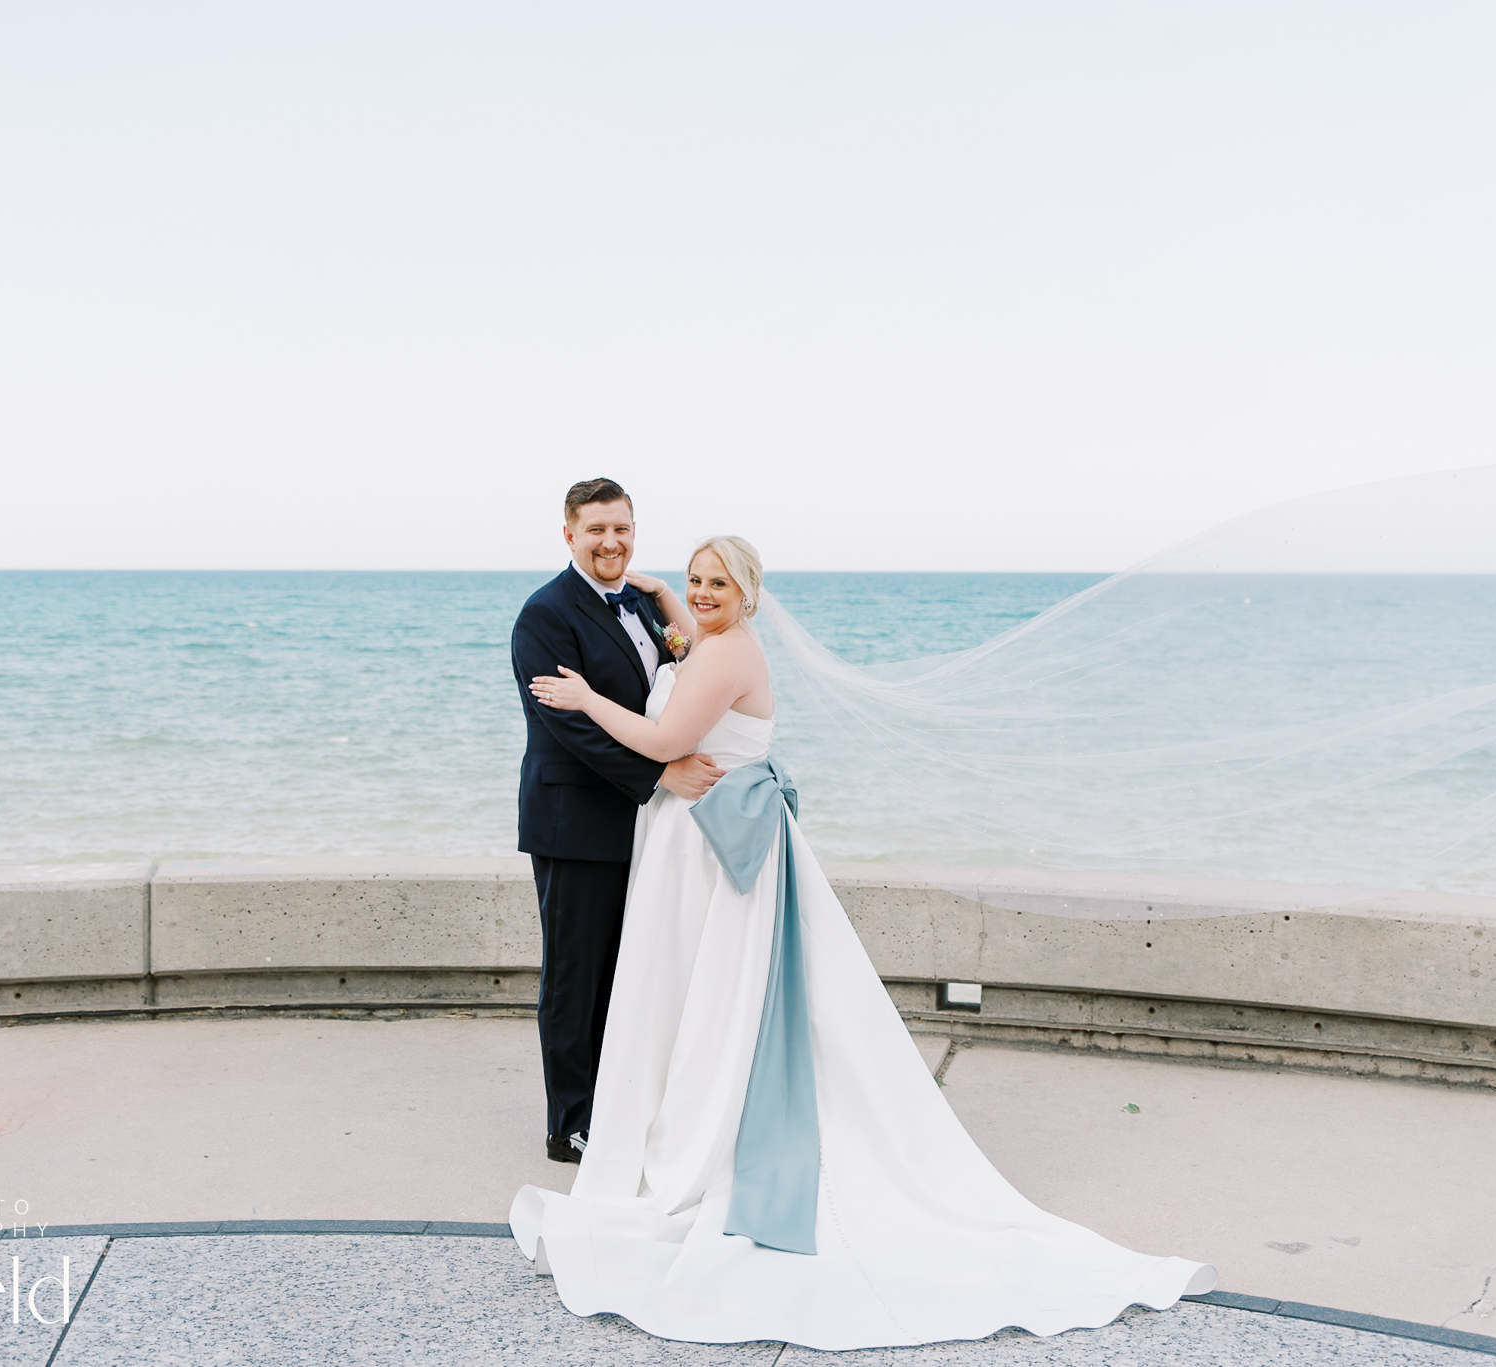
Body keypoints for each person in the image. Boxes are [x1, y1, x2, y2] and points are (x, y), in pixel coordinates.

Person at [514, 534, 1216, 1350]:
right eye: (698, 579)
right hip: (707, 842)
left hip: (713, 845)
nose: (702, 593)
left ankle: (715, 1132)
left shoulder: (725, 655)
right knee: (710, 993)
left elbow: (669, 744)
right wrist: (669, 596)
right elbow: (688, 633)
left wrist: (586, 699)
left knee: (722, 998)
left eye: (719, 583)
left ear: (750, 594)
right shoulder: (707, 635)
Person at [510, 478, 726, 1164]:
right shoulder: (544, 615)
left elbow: (684, 674)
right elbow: (569, 724)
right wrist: (662, 772)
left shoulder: (637, 601)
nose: (611, 542)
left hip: (641, 823)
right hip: (575, 821)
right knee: (576, 975)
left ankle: (618, 1104)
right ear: (569, 533)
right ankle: (569, 1123)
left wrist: (665, 598)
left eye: (623, 528)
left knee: (626, 972)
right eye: (597, 529)